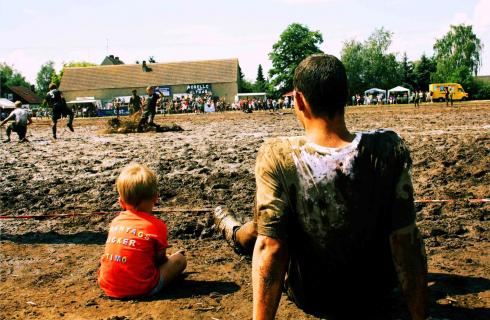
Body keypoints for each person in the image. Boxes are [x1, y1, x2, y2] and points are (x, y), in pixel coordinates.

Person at [214, 54, 428, 319]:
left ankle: (234, 230)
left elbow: (271, 246)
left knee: (266, 220)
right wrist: (420, 316)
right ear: (346, 96)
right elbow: (405, 240)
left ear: (298, 100)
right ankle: (237, 231)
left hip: (314, 298)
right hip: (375, 295)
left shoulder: (278, 154)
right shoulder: (388, 149)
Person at [98, 163, 187, 298]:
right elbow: (160, 261)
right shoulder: (157, 226)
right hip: (141, 288)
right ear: (156, 197)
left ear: (121, 202)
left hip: (108, 286)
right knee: (180, 260)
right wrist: (172, 259)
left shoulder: (115, 222)